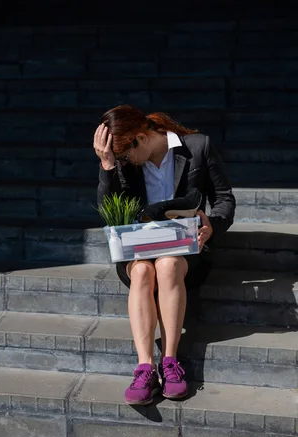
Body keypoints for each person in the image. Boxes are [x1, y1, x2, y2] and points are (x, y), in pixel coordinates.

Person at [93, 105, 236, 405]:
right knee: (144, 271)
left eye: (123, 155)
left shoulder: (198, 147)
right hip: (139, 250)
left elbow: (223, 198)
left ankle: (170, 362)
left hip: (186, 249)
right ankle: (145, 367)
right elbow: (110, 212)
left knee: (168, 264)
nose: (124, 161)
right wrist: (107, 166)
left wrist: (212, 225)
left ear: (141, 138)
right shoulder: (125, 163)